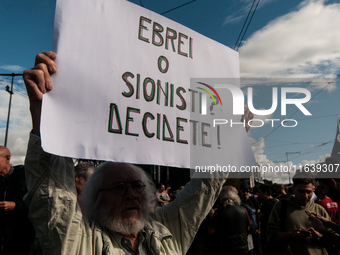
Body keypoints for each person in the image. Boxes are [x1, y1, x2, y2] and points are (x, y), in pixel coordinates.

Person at [23, 51, 254, 255]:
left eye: (137, 186)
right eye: (119, 187)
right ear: (96, 198)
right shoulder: (81, 241)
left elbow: (204, 188)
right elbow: (52, 196)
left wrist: (229, 137)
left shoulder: (165, 229)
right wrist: (46, 118)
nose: (132, 194)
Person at [267, 172, 331, 255]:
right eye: (301, 191)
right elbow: (270, 234)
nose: (305, 196)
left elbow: (332, 238)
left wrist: (318, 234)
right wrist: (291, 235)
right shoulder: (281, 207)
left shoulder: (319, 209)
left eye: (309, 192)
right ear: (293, 189)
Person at [0, 146, 35, 255]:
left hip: (21, 242)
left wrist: (15, 206)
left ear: (7, 158)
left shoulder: (25, 176)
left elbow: (37, 206)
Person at [208, 185, 251, 255]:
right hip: (243, 248)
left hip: (226, 248)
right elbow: (248, 228)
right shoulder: (244, 210)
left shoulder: (218, 212)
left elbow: (211, 231)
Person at [240, 183, 261, 255]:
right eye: (243, 191)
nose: (245, 193)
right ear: (240, 192)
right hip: (245, 231)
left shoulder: (254, 200)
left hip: (254, 230)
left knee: (257, 249)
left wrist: (259, 228)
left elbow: (258, 215)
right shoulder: (238, 202)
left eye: (247, 191)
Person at [256, 184, 277, 255]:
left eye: (260, 192)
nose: (258, 194)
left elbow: (259, 217)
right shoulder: (275, 202)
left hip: (266, 234)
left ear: (265, 193)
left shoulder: (267, 204)